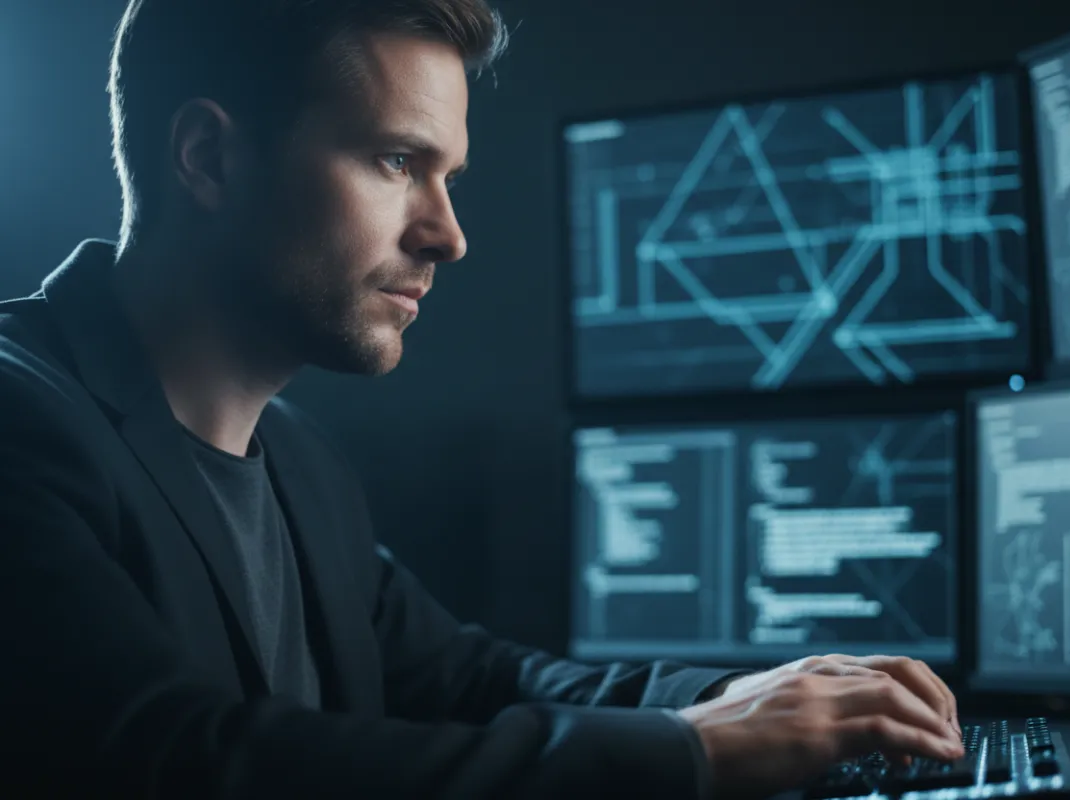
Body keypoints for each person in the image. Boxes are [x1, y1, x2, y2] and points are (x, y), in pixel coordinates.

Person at [0, 0, 965, 797]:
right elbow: (171, 758)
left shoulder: (299, 463)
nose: (448, 234)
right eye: (395, 162)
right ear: (208, 157)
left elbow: (475, 679)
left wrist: (752, 695)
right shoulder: (20, 415)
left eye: (448, 177)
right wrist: (696, 749)